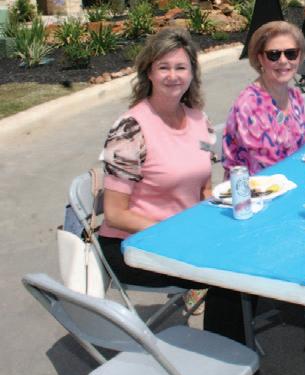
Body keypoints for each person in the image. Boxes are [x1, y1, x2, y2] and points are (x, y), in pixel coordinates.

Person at [99, 28, 243, 342]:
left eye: (181, 67)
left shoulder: (198, 120)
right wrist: (176, 233)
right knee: (229, 273)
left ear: (192, 73)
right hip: (135, 244)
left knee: (247, 245)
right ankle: (224, 352)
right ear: (149, 72)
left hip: (185, 233)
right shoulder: (130, 128)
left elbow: (203, 189)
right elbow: (115, 214)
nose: (173, 76)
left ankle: (236, 335)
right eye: (163, 67)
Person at [223, 21, 305, 175]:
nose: (283, 61)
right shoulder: (249, 106)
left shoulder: (295, 97)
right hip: (259, 186)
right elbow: (268, 167)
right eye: (274, 55)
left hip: (296, 178)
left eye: (291, 53)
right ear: (260, 59)